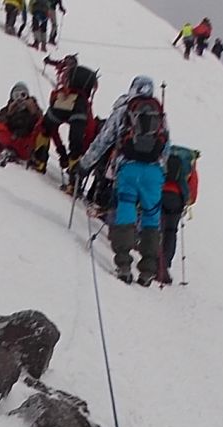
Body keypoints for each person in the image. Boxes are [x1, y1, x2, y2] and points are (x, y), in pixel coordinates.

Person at [80, 75, 170, 284]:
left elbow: (103, 141)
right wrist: (160, 170)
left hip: (128, 167)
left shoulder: (123, 110)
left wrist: (85, 165)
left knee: (126, 210)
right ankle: (148, 270)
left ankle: (123, 264)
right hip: (153, 172)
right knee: (150, 216)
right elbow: (166, 146)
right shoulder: (160, 113)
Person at [42, 54, 99, 179]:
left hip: (61, 104)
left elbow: (50, 128)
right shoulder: (85, 106)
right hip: (79, 111)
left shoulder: (58, 96)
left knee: (44, 127)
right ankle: (74, 179)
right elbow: (89, 132)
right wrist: (80, 152)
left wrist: (61, 151)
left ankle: (39, 161)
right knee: (76, 141)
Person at [157, 144, 200, 284]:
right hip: (176, 199)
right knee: (170, 231)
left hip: (159, 193)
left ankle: (152, 258)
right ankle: (165, 264)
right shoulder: (189, 165)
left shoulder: (166, 155)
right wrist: (187, 201)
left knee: (157, 227)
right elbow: (192, 189)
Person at [0, 83, 49, 172]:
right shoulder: (6, 109)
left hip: (26, 145)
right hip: (10, 140)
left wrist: (33, 113)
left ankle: (38, 160)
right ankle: (7, 149)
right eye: (16, 95)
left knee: (44, 132)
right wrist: (9, 114)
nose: (19, 98)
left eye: (22, 95)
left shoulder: (35, 110)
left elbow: (42, 127)